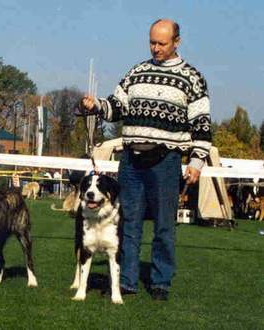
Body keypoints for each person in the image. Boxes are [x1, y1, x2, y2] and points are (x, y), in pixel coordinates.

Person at [79, 19, 212, 301]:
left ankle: (160, 282)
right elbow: (116, 106)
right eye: (152, 42)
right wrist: (96, 106)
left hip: (166, 162)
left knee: (164, 226)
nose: (156, 48)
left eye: (162, 43)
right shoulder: (136, 72)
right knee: (129, 224)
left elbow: (202, 124)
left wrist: (197, 162)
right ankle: (126, 281)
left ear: (177, 42)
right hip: (131, 162)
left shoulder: (192, 77)